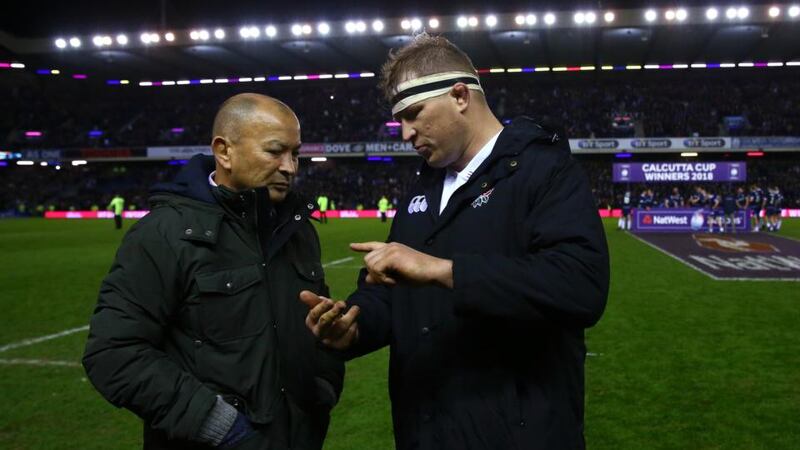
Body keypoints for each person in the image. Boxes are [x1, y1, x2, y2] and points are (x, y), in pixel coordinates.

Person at [301, 34, 609, 450]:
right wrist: (355, 327)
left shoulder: (544, 170)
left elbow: (580, 286)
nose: (405, 133)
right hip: (424, 432)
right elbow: (391, 294)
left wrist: (444, 270)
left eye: (413, 114)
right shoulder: (421, 190)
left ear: (460, 96)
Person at [83, 93, 344, 450]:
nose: (291, 167)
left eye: (295, 153)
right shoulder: (164, 234)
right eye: (275, 151)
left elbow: (315, 327)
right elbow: (113, 353)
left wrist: (322, 389)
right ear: (224, 151)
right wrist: (224, 429)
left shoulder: (298, 231)